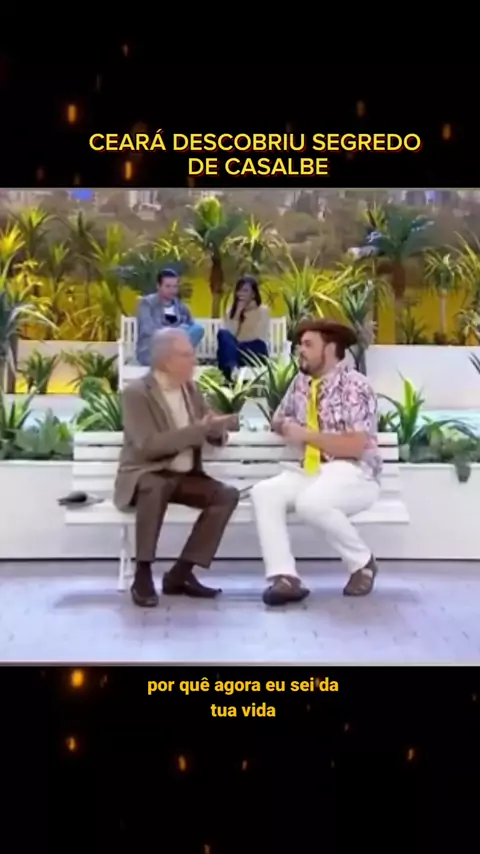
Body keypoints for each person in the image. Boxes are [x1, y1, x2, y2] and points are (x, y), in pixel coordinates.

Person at [250, 319, 382, 607]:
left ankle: (362, 563)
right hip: (311, 470)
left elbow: (354, 446)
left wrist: (307, 435)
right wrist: (285, 426)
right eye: (300, 345)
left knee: (311, 503)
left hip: (354, 472)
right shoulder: (301, 383)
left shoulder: (355, 386)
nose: (301, 350)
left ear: (330, 349)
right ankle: (285, 578)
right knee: (264, 492)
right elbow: (278, 418)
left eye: (308, 345)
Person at [115, 327, 240, 607]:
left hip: (184, 476)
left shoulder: (190, 389)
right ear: (166, 361)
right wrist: (198, 430)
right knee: (155, 486)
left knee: (226, 495)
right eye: (186, 355)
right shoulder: (137, 393)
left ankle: (180, 574)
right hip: (146, 473)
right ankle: (143, 574)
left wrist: (216, 430)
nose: (193, 360)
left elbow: (205, 426)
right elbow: (148, 446)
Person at [136, 268, 205, 366]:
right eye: (168, 286)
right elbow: (148, 330)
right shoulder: (147, 303)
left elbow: (192, 328)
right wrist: (175, 332)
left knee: (198, 329)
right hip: (152, 351)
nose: (172, 290)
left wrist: (180, 334)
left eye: (175, 286)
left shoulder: (181, 306)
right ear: (158, 286)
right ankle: (177, 358)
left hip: (177, 349)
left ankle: (175, 357)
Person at [217, 275, 270, 380]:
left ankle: (231, 370)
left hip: (255, 350)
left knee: (225, 352)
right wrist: (238, 312)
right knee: (222, 333)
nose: (241, 294)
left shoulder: (263, 310)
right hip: (238, 352)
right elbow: (230, 335)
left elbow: (257, 335)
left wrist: (234, 345)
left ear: (253, 294)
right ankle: (234, 369)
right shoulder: (231, 311)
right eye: (239, 291)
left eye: (245, 291)